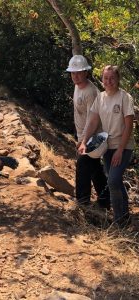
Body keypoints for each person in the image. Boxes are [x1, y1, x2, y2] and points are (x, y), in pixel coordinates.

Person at [79, 65, 135, 226]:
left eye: (112, 78)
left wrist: (120, 150)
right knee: (115, 181)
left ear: (118, 79)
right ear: (102, 79)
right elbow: (93, 121)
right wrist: (84, 142)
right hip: (106, 146)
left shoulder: (125, 97)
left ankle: (119, 221)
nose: (108, 81)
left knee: (112, 180)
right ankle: (125, 217)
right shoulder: (101, 97)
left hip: (123, 146)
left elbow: (129, 126)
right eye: (105, 78)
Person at [66, 55, 109, 208]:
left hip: (95, 135)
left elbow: (93, 119)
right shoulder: (78, 86)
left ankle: (82, 202)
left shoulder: (91, 92)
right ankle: (105, 201)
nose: (75, 76)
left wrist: (83, 140)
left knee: (83, 165)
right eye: (73, 73)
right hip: (85, 135)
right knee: (95, 168)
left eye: (78, 73)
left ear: (86, 72)